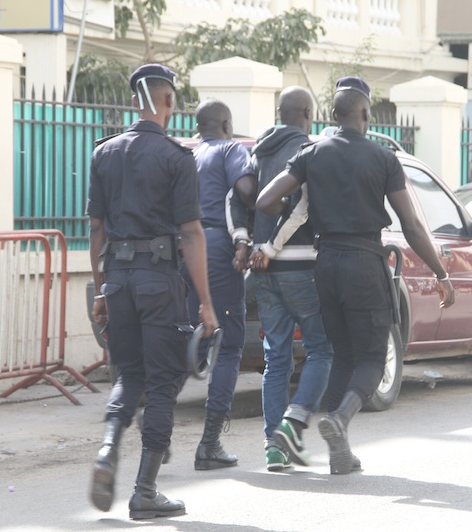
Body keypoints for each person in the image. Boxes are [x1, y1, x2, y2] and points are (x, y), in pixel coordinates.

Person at [256, 76, 456, 475]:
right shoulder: (383, 159)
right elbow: (413, 225)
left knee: (342, 356)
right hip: (365, 263)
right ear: (365, 114)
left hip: (325, 264)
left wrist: (298, 217)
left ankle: (329, 447)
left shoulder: (311, 153)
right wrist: (441, 274)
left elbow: (265, 200)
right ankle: (340, 419)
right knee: (371, 358)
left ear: (333, 115)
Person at [86, 64, 218, 519]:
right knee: (163, 382)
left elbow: (97, 231)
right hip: (159, 281)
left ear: (134, 102)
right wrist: (205, 302)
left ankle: (107, 448)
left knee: (130, 375)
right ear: (167, 102)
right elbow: (192, 234)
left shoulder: (104, 154)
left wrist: (101, 291)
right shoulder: (176, 158)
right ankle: (144, 491)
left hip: (118, 281)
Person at [244, 86, 335, 471]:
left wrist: (248, 244)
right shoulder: (309, 151)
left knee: (275, 358)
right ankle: (290, 427)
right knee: (320, 350)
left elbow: (243, 197)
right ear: (308, 114)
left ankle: (273, 447)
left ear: (279, 113)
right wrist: (272, 246)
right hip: (298, 265)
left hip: (262, 270)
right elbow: (301, 208)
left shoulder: (258, 149)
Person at [185, 98, 257, 470]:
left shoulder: (187, 156)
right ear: (227, 125)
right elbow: (246, 190)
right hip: (215, 248)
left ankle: (157, 435)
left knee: (185, 339)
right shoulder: (231, 150)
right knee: (228, 344)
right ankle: (210, 442)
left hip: (181, 250)